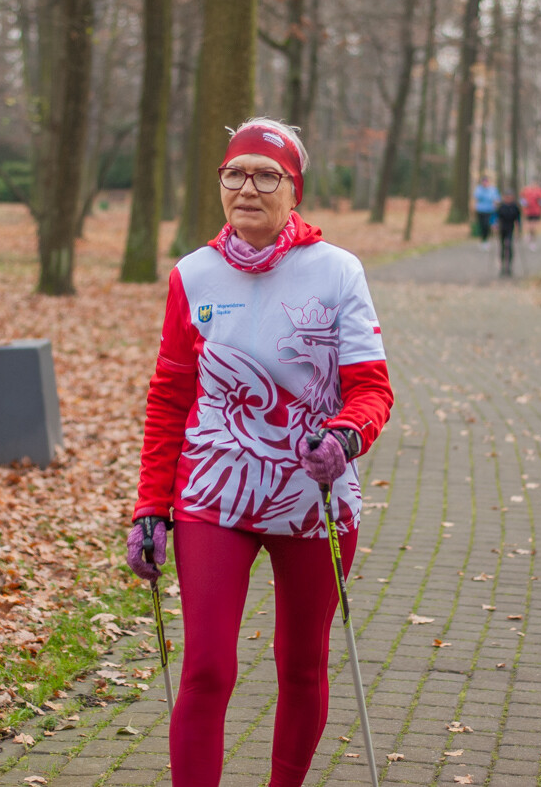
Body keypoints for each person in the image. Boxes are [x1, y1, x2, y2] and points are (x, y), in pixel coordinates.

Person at [125, 117, 394, 787]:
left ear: (294, 189)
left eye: (266, 175)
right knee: (206, 667)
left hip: (313, 495)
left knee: (301, 663)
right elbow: (169, 396)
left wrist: (344, 436)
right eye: (234, 173)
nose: (247, 188)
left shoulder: (337, 272)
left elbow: (371, 388)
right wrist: (151, 506)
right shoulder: (193, 275)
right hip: (215, 492)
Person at [494, 191, 522, 277]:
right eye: (507, 197)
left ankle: (509, 266)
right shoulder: (501, 207)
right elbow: (496, 217)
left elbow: (518, 219)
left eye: (510, 197)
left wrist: (519, 229)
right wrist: (495, 225)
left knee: (509, 246)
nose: (508, 199)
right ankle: (502, 266)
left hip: (510, 228)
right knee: (502, 247)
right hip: (502, 228)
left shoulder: (515, 207)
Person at [473, 174, 500, 249]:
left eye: (486, 181)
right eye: (484, 182)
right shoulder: (479, 189)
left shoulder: (493, 189)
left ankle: (486, 240)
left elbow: (497, 199)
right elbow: (476, 198)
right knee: (482, 225)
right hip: (480, 210)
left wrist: (496, 204)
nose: (485, 183)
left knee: (487, 225)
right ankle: (483, 239)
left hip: (490, 210)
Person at [519, 181, 541, 250]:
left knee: (534, 227)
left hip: (536, 212)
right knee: (530, 226)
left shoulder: (539, 191)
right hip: (528, 211)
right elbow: (521, 199)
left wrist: (540, 202)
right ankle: (531, 238)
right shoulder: (526, 191)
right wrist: (524, 204)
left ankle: (532, 241)